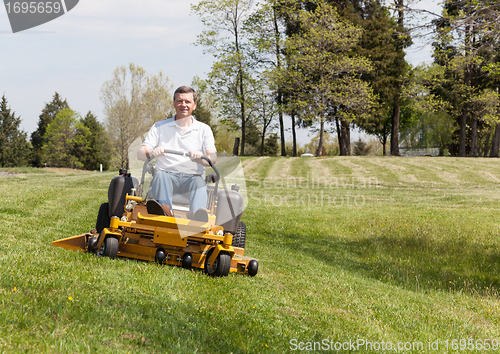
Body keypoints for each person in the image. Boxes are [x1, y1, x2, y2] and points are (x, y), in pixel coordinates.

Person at [137, 86, 217, 221]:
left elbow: (212, 158)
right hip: (166, 175)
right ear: (174, 104)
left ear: (194, 105)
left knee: (199, 182)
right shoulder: (159, 126)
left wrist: (200, 159)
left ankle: (197, 216)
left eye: (187, 102)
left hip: (193, 177)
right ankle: (165, 212)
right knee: (160, 175)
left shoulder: (204, 129)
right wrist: (152, 152)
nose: (183, 105)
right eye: (180, 101)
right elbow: (140, 153)